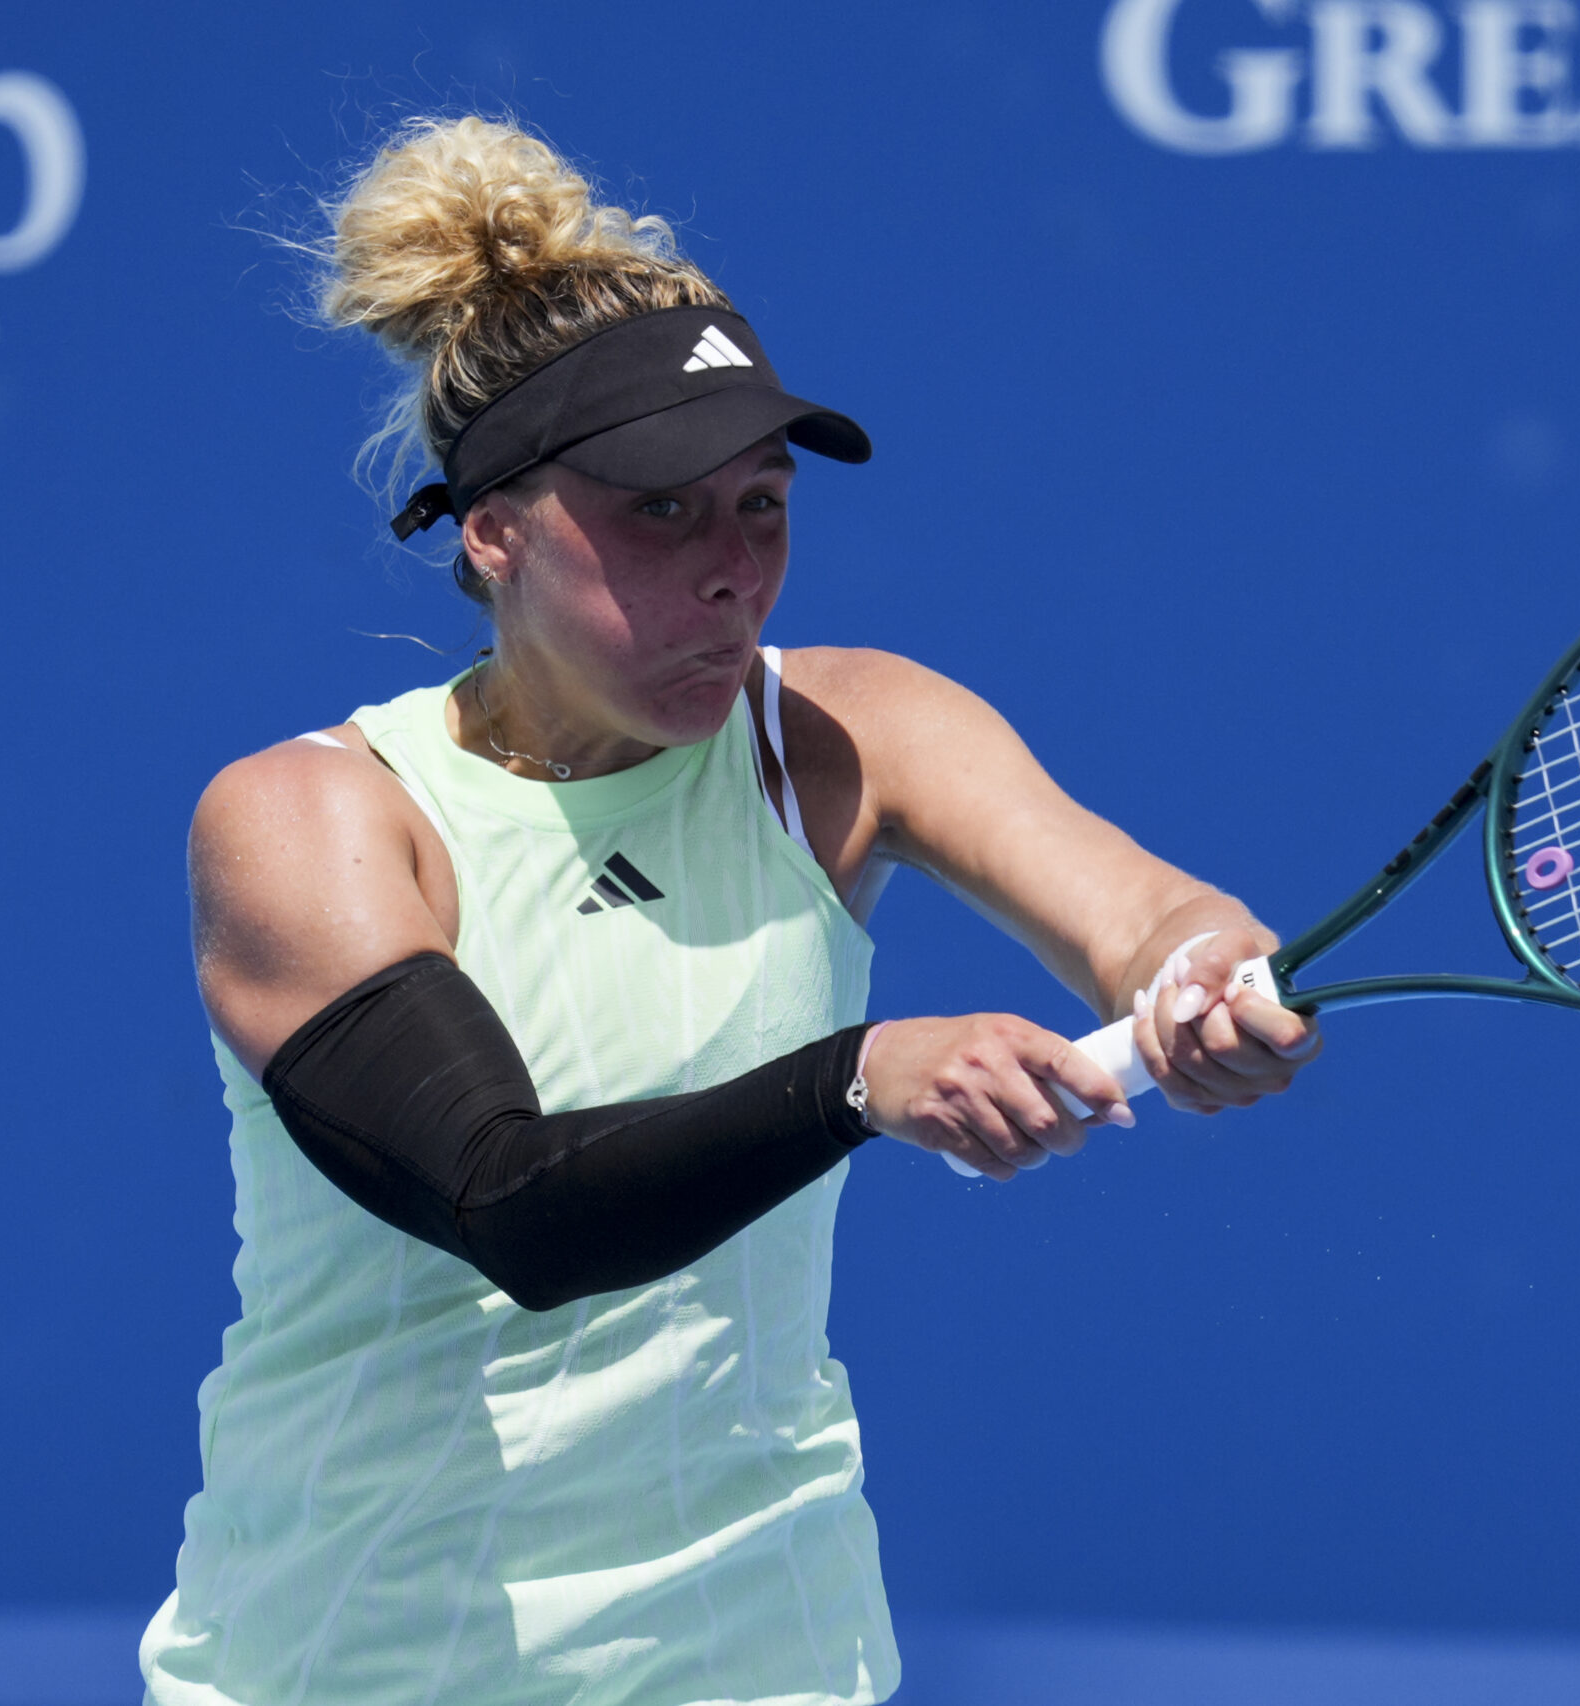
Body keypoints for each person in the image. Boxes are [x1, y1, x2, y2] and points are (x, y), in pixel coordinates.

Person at [141, 114, 1317, 1706]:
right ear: (493, 533)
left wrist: (1201, 978)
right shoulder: (310, 822)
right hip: (351, 1670)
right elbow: (517, 1203)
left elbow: (1146, 910)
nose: (730, 572)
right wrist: (859, 1076)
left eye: (760, 505)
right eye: (660, 513)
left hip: (765, 1663)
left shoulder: (846, 739)